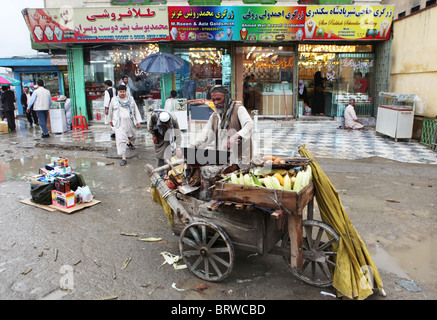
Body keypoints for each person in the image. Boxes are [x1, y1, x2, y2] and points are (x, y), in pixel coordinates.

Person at [191, 85, 253, 166]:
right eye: (213, 100)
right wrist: (193, 145)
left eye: (219, 99)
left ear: (226, 97)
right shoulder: (215, 115)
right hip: (222, 159)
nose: (216, 103)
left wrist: (235, 136)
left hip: (240, 159)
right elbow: (206, 133)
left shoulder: (238, 109)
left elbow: (249, 124)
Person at [108, 85, 142, 166]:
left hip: (130, 122)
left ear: (126, 91)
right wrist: (110, 121)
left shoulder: (130, 99)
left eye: (123, 92)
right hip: (118, 124)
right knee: (120, 140)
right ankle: (123, 158)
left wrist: (138, 121)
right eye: (120, 92)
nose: (122, 93)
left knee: (132, 136)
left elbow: (136, 110)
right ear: (118, 92)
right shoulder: (114, 100)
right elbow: (110, 111)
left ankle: (129, 141)